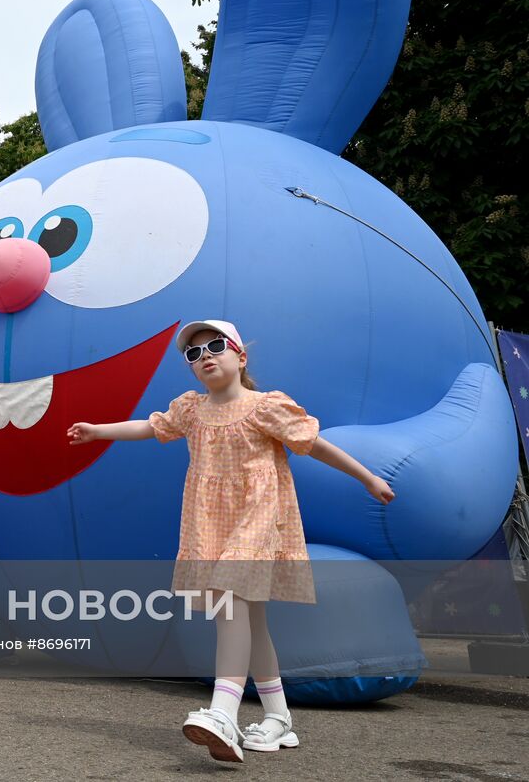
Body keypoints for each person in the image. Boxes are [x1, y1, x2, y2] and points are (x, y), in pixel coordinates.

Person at [67, 320, 394, 762]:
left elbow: (314, 445)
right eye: (194, 353)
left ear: (240, 356)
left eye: (215, 346)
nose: (205, 356)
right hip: (210, 524)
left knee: (228, 600)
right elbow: (150, 426)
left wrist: (368, 477)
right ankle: (279, 718)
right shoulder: (191, 410)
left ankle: (224, 711)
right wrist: (98, 430)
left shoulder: (266, 407)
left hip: (258, 520)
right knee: (252, 622)